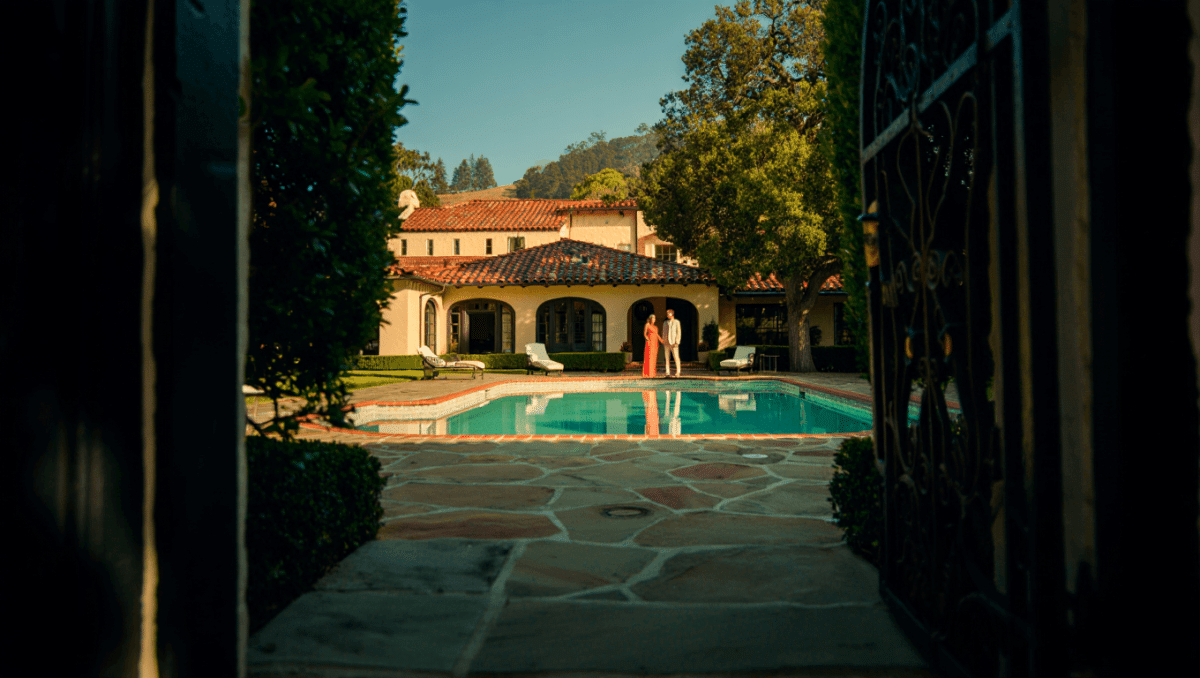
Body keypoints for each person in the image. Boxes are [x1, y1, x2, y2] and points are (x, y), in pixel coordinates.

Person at [662, 309, 682, 377]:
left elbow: (678, 332)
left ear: (672, 314)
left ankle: (678, 371)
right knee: (667, 358)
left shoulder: (677, 322)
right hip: (666, 342)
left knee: (676, 357)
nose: (667, 315)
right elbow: (664, 332)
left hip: (674, 342)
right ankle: (667, 372)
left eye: (668, 313)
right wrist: (663, 340)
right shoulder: (665, 322)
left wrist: (677, 341)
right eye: (667, 313)